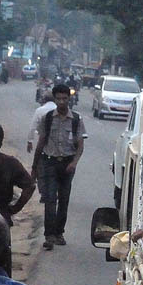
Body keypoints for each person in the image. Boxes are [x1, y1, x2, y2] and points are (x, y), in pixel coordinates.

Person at [31, 84, 85, 251]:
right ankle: (49, 236)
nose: (62, 102)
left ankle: (59, 232)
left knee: (64, 199)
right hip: (49, 163)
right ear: (54, 99)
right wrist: (35, 166)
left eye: (65, 98)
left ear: (70, 99)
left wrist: (74, 163)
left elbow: (80, 145)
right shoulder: (47, 118)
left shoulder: (76, 119)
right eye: (59, 99)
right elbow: (41, 142)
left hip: (67, 164)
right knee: (49, 199)